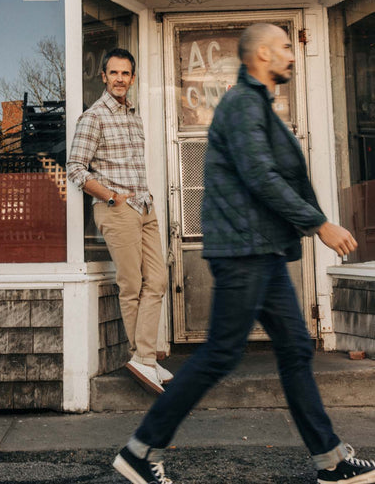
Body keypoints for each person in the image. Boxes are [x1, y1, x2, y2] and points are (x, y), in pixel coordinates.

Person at [112, 24, 375, 484]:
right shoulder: (243, 104)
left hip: (262, 250)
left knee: (295, 348)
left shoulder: (257, 106)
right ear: (262, 56)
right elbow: (262, 176)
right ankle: (139, 451)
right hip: (243, 251)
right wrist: (319, 224)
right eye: (285, 48)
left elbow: (271, 176)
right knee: (220, 353)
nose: (291, 55)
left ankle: (331, 462)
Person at [67, 48, 172, 395]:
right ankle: (143, 356)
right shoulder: (93, 117)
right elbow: (75, 169)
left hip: (145, 207)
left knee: (156, 280)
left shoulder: (134, 117)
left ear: (132, 77)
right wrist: (111, 197)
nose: (120, 79)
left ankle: (144, 358)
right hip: (116, 208)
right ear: (103, 76)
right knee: (132, 285)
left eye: (126, 74)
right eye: (114, 73)